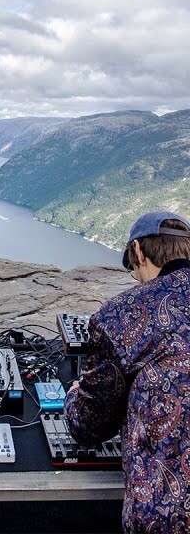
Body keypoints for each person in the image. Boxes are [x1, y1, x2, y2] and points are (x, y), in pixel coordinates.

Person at [65, 211, 190, 534]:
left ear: (137, 251)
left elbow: (87, 424)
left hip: (168, 515)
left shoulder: (124, 314)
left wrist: (74, 394)